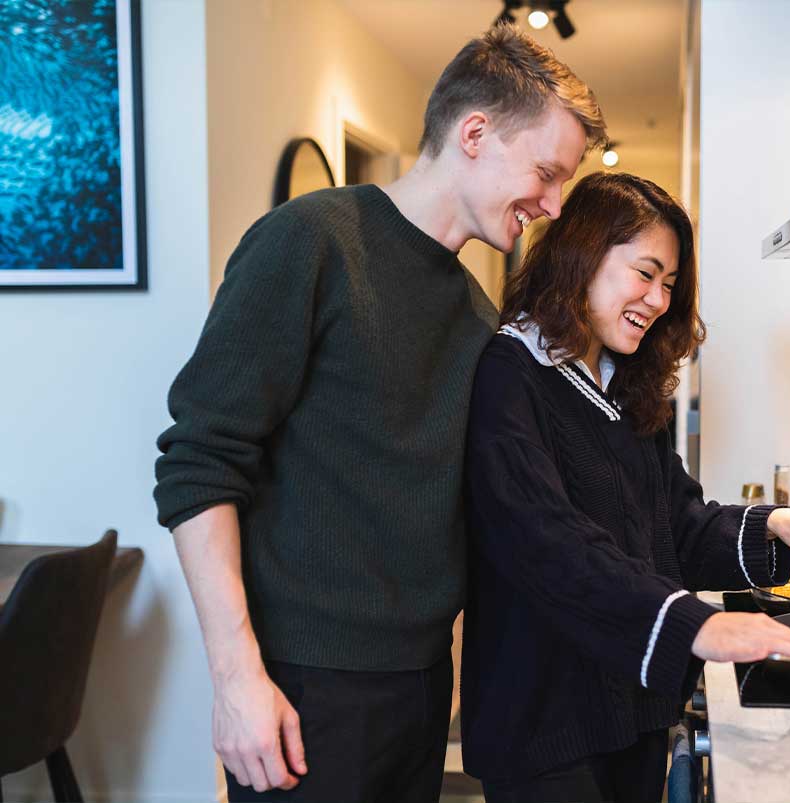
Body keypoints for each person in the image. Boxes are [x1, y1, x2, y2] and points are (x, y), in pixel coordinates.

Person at [153, 25, 606, 803]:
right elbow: (197, 463)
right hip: (304, 687)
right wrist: (236, 681)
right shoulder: (311, 243)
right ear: (474, 133)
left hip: (424, 686)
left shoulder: (472, 311)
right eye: (546, 172)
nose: (554, 203)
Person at [461, 171, 790, 802]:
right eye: (645, 273)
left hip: (630, 710)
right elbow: (548, 547)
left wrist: (778, 526)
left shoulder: (620, 384)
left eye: (669, 284)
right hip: (545, 727)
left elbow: (675, 522)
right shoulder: (513, 375)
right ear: (582, 256)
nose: (659, 299)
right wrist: (693, 627)